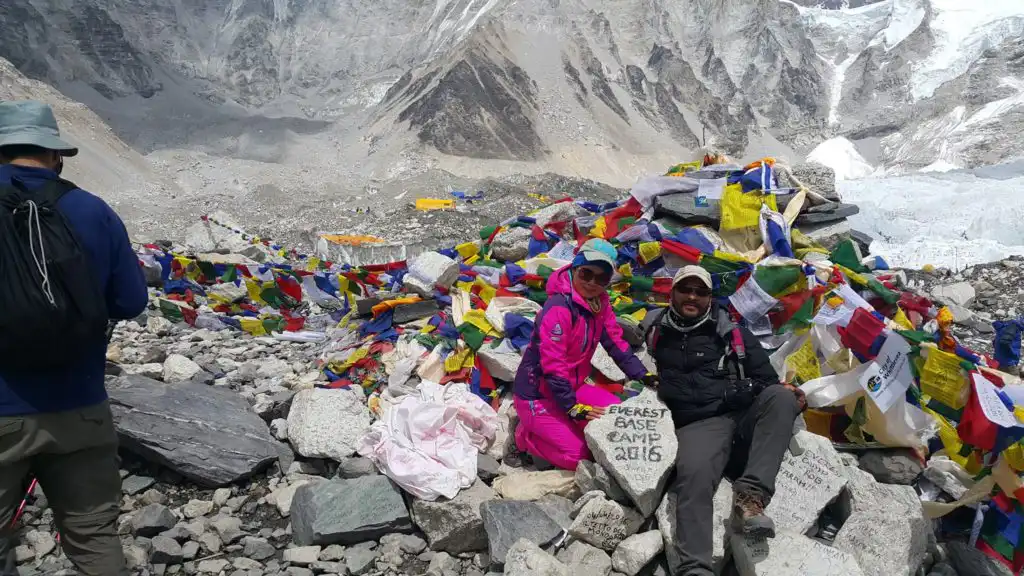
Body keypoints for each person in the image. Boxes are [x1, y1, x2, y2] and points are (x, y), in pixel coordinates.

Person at [0, 100, 148, 576]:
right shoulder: (93, 211)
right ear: (55, 155)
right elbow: (130, 301)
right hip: (80, 406)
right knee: (93, 536)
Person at [640, 265, 806, 576]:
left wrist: (737, 391)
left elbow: (767, 380)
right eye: (685, 289)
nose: (692, 296)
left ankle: (750, 499)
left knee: (782, 397)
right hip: (700, 424)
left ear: (710, 297)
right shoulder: (655, 333)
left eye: (700, 291)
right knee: (693, 476)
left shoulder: (732, 333)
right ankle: (695, 567)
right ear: (672, 293)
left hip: (741, 417)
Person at [512, 238, 654, 471]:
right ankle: (526, 439)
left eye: (601, 278)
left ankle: (556, 423)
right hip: (538, 395)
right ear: (574, 268)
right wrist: (573, 408)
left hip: (574, 387)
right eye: (586, 273)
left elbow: (616, 343)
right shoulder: (559, 308)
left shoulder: (600, 303)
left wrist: (643, 375)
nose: (592, 283)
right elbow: (553, 364)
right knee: (581, 456)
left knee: (617, 419)